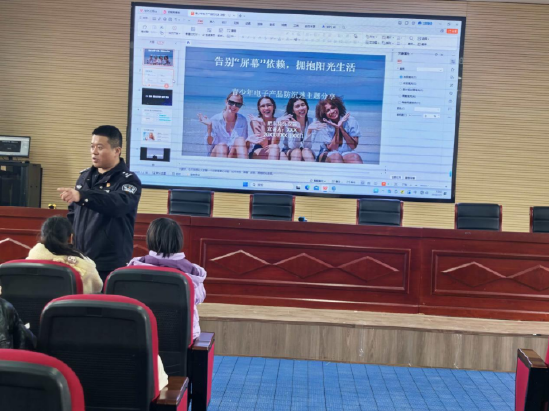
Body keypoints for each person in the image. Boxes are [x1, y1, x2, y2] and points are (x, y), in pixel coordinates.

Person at [57, 126, 142, 282]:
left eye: (100, 147)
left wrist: (82, 196)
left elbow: (117, 205)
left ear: (117, 151)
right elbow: (73, 214)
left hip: (109, 264)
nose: (94, 152)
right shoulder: (84, 177)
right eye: (92, 146)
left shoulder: (128, 180)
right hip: (80, 259)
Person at [128, 218, 207, 341]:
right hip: (180, 337)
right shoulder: (192, 273)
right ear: (179, 240)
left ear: (149, 239)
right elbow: (198, 298)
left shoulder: (132, 268)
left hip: (139, 335)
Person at [27, 216, 103, 294]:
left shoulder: (28, 263)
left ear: (42, 236)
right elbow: (96, 289)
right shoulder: (86, 268)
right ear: (70, 238)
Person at [197, 92, 249, 158]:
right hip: (216, 155)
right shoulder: (215, 119)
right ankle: (223, 164)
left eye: (238, 104)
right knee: (222, 146)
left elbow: (244, 146)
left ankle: (244, 164)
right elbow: (209, 146)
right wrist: (209, 127)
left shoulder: (242, 120)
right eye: (231, 102)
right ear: (226, 102)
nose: (234, 106)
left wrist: (250, 141)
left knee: (240, 140)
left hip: (232, 155)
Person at [313, 96, 364, 164]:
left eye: (333, 107)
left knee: (355, 158)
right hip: (327, 153)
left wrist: (341, 128)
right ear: (324, 114)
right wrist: (337, 129)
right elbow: (332, 148)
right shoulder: (324, 125)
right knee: (336, 157)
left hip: (346, 152)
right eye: (328, 110)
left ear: (338, 107)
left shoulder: (351, 120)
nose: (332, 111)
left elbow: (353, 146)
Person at [279, 96, 326, 161]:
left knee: (306, 151)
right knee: (297, 152)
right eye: (297, 106)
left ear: (307, 106)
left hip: (307, 151)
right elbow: (293, 146)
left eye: (303, 105)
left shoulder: (313, 122)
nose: (301, 108)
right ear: (293, 110)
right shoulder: (289, 123)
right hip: (289, 151)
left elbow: (307, 147)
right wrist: (298, 131)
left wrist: (309, 131)